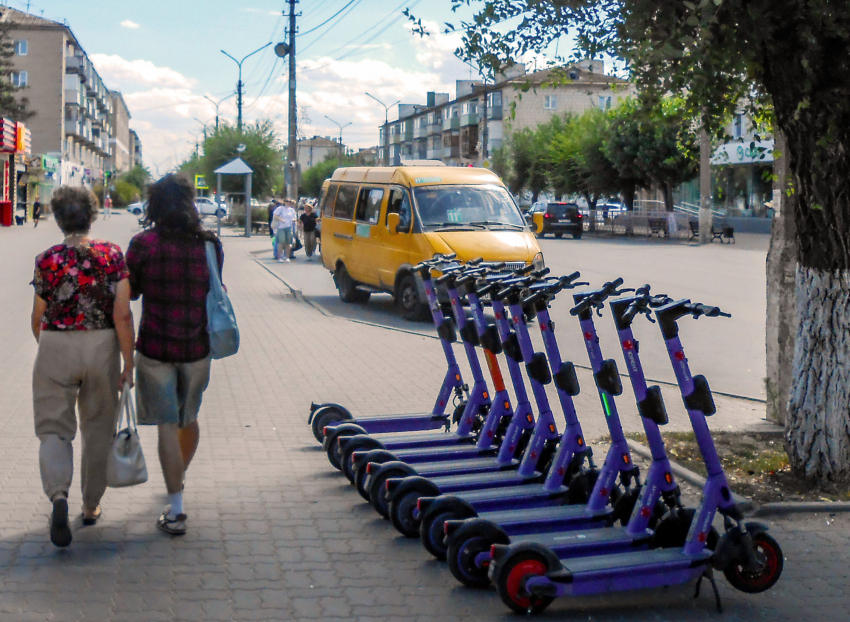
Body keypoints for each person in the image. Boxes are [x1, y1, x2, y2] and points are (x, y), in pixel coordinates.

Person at [30, 187, 135, 548]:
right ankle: (90, 506)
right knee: (97, 428)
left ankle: (59, 496)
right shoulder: (112, 255)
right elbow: (123, 314)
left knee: (53, 429)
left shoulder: (47, 259)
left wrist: (47, 346)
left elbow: (37, 316)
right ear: (92, 215)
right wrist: (128, 362)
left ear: (58, 219)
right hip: (102, 346)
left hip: (55, 344)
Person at [126, 174, 223, 537]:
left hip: (155, 348)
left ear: (153, 205)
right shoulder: (210, 245)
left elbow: (131, 293)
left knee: (166, 424)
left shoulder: (143, 244)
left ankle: (177, 507)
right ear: (189, 203)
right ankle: (177, 480)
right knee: (188, 417)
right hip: (198, 348)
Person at [272, 199, 297, 263]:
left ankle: (287, 257)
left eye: (290, 202)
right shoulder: (280, 208)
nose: (289, 203)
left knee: (288, 243)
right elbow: (275, 217)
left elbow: (295, 218)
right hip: (281, 227)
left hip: (289, 227)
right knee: (281, 242)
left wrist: (294, 220)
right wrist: (281, 220)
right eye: (288, 201)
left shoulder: (291, 210)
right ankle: (279, 257)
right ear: (284, 202)